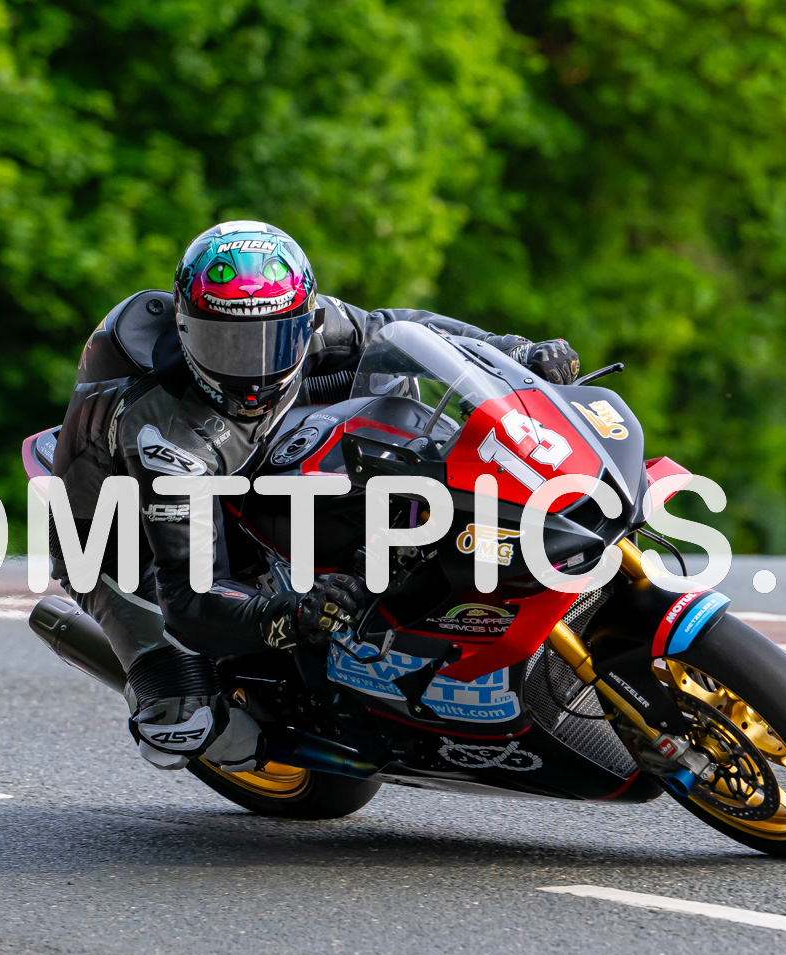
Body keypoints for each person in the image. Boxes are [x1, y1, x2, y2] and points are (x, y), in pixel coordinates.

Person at [49, 221, 580, 772]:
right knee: (181, 724)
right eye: (227, 345)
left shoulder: (306, 315)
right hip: (117, 532)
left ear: (305, 318)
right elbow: (191, 597)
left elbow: (397, 330)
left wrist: (513, 351)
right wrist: (289, 615)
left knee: (391, 376)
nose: (254, 367)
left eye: (274, 340)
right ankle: (182, 693)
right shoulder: (167, 440)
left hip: (249, 447)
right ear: (187, 331)